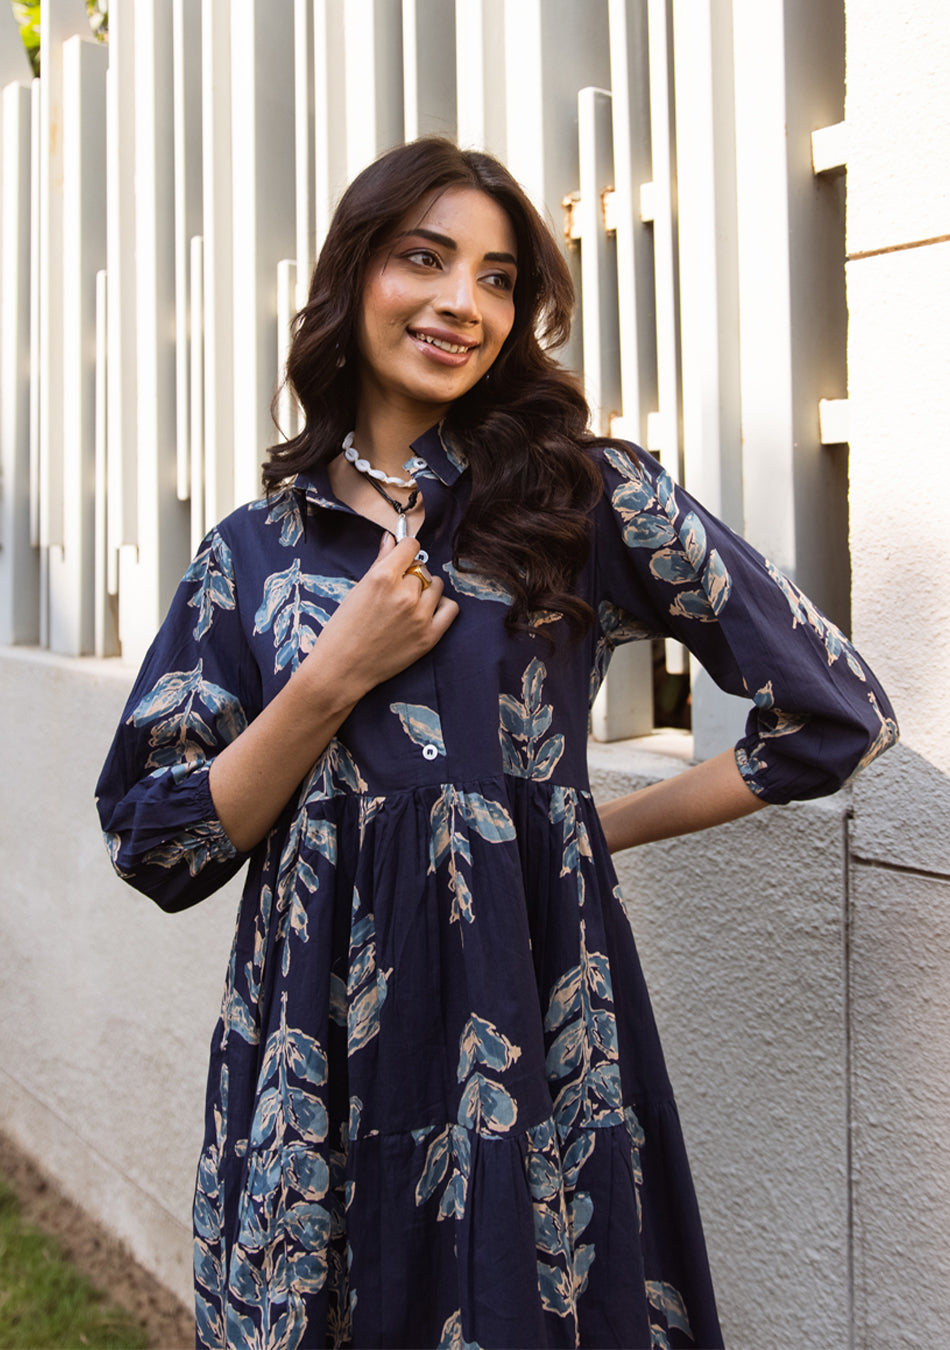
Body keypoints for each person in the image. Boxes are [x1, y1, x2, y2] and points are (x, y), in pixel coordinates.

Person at [96, 137, 897, 1350]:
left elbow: (833, 711)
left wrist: (589, 824)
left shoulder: (580, 499)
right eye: (424, 259)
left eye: (496, 276)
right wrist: (331, 673)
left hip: (523, 1042)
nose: (460, 303)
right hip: (312, 1064)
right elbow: (156, 842)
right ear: (355, 273)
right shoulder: (249, 556)